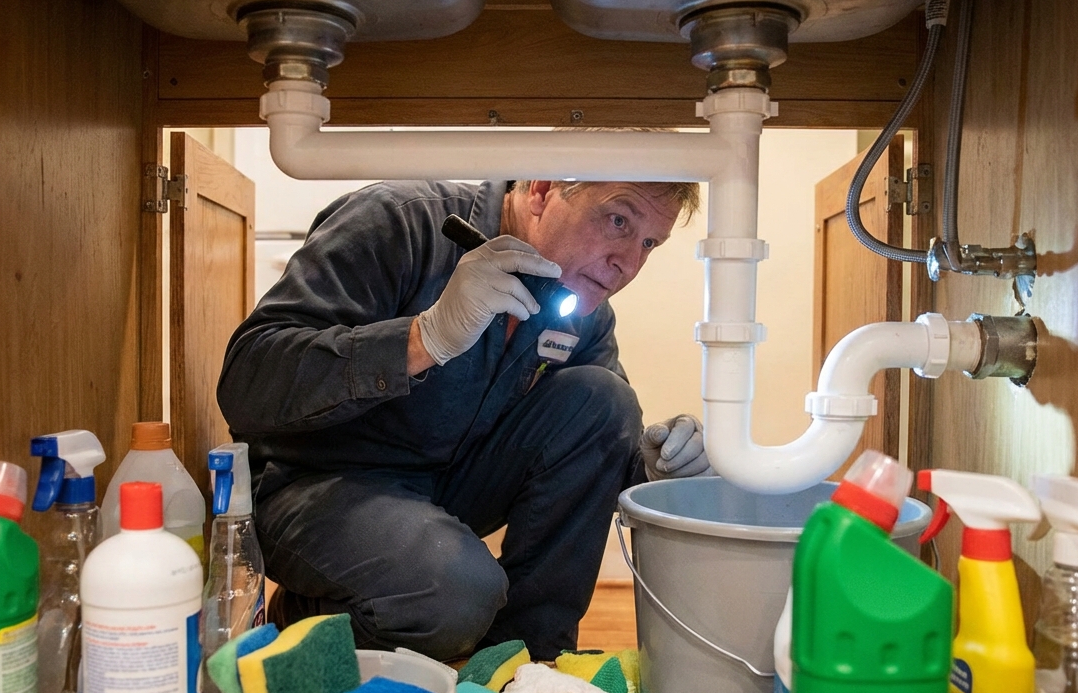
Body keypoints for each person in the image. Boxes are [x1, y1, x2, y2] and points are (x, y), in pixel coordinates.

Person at [217, 178, 712, 661]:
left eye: (649, 242)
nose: (627, 263)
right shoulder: (399, 223)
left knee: (606, 400)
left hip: (437, 494)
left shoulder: (581, 310)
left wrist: (655, 470)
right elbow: (246, 383)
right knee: (454, 596)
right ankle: (311, 612)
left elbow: (598, 446)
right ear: (541, 190)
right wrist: (420, 339)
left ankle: (526, 662)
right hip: (312, 483)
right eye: (618, 220)